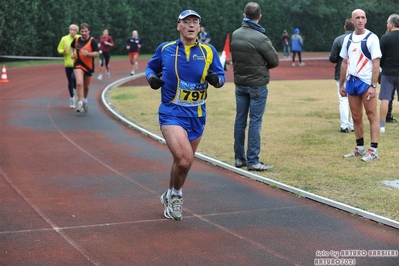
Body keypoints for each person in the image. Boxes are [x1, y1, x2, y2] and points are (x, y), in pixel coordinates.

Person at [146, 9, 225, 221]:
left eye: (195, 22)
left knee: (184, 162)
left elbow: (221, 75)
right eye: (186, 22)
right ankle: (177, 196)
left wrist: (216, 80)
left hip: (197, 114)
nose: (191, 25)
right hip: (171, 112)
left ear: (199, 28)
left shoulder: (208, 51)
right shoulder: (166, 49)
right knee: (183, 159)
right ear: (178, 26)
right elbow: (150, 67)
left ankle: (169, 194)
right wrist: (151, 78)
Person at [231, 2, 279, 171]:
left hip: (240, 84)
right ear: (259, 17)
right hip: (257, 85)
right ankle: (253, 160)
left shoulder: (235, 34)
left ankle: (239, 158)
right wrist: (262, 63)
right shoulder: (261, 37)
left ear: (244, 15)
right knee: (255, 122)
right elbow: (274, 61)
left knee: (240, 120)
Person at [339, 9, 382, 162]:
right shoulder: (348, 39)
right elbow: (344, 62)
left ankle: (373, 150)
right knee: (356, 117)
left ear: (366, 20)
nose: (360, 20)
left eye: (363, 17)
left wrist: (373, 85)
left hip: (365, 82)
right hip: (351, 81)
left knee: (372, 115)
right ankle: (359, 148)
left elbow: (376, 63)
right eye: (357, 17)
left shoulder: (372, 38)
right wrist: (341, 84)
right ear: (352, 20)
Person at [329, 18, 354, 133]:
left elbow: (333, 58)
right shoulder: (360, 39)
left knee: (343, 100)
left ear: (345, 27)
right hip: (356, 73)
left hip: (341, 72)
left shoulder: (338, 40)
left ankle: (344, 126)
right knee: (355, 99)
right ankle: (354, 125)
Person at [70, 23, 100, 113]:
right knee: (79, 83)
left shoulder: (92, 41)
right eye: (82, 31)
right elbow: (72, 47)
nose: (83, 33)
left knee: (86, 86)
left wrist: (89, 54)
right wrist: (72, 53)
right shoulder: (76, 40)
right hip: (78, 64)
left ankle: (85, 100)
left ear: (89, 31)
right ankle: (79, 103)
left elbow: (97, 53)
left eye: (85, 31)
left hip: (88, 66)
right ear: (80, 32)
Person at [379, 14, 399, 133]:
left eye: (387, 23)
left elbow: (380, 57)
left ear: (391, 24)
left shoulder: (385, 38)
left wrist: (383, 67)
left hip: (388, 72)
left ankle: (382, 125)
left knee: (385, 99)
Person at [57, 24, 80, 108]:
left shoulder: (79, 38)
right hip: (68, 64)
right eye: (71, 29)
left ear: (76, 31)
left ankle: (76, 91)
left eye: (74, 30)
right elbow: (59, 49)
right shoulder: (64, 38)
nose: (72, 31)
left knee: (74, 78)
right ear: (69, 30)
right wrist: (63, 50)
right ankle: (72, 98)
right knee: (70, 81)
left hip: (77, 63)